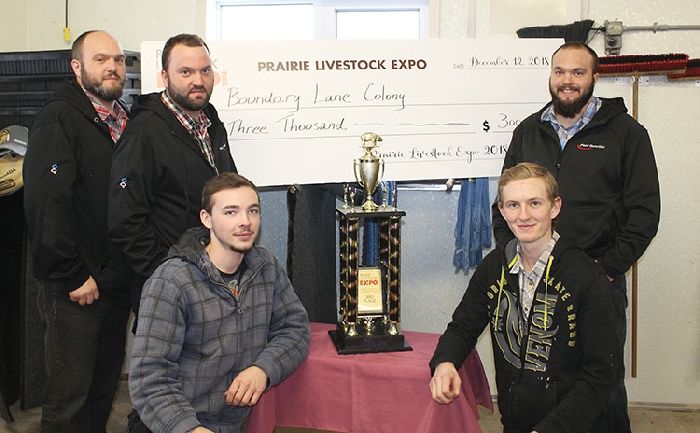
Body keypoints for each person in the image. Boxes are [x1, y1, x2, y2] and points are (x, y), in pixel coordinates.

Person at [491, 41, 660, 432]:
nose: (567, 81)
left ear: (595, 78)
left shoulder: (626, 133)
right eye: (559, 72)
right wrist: (512, 260)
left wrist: (609, 270)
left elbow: (645, 211)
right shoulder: (528, 132)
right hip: (535, 282)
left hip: (598, 280)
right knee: (536, 379)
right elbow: (503, 203)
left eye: (578, 73)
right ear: (551, 76)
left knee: (602, 383)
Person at [430, 162, 616, 433]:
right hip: (515, 422)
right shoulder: (494, 267)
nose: (524, 215)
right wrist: (444, 362)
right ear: (502, 211)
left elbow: (599, 375)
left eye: (535, 203)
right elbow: (463, 327)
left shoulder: (586, 277)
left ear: (555, 208)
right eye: (514, 205)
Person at [128, 172, 311, 433]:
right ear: (207, 219)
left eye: (253, 210)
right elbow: (149, 379)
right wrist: (189, 428)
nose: (245, 222)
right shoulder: (172, 282)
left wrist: (263, 368)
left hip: (236, 424)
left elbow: (295, 329)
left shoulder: (266, 267)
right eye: (230, 212)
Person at [22, 30, 131, 432]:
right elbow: (45, 204)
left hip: (113, 283)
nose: (112, 67)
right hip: (76, 288)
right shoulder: (59, 118)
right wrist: (71, 274)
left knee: (102, 392)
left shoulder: (123, 118)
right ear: (77, 67)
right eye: (101, 59)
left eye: (118, 60)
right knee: (69, 400)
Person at [109, 33, 237, 316]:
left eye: (205, 70)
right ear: (165, 77)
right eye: (186, 72)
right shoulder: (143, 135)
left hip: (214, 280)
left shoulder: (211, 123)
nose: (198, 80)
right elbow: (125, 221)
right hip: (169, 292)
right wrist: (167, 273)